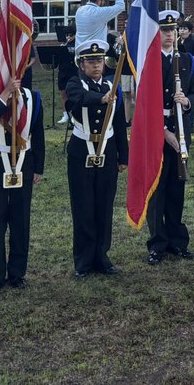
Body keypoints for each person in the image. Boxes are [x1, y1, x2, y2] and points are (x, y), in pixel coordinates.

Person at [0, 54, 45, 289]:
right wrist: (5, 94)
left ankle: (18, 274)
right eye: (5, 71)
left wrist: (38, 167)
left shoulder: (32, 97)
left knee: (20, 222)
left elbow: (38, 135)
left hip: (24, 165)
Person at [65, 41, 128, 278]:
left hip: (107, 152)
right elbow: (78, 98)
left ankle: (102, 257)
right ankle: (83, 260)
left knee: (104, 206)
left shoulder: (112, 85)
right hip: (82, 151)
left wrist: (124, 155)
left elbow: (119, 122)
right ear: (81, 64)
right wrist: (102, 99)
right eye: (90, 61)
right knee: (83, 207)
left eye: (99, 61)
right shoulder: (75, 83)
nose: (96, 66)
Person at [147, 10, 194, 266]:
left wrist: (187, 101)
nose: (169, 35)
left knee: (177, 187)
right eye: (164, 30)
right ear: (157, 33)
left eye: (173, 30)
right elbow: (145, 101)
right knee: (158, 188)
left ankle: (178, 241)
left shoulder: (187, 60)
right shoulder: (150, 60)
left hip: (181, 129)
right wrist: (162, 131)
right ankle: (157, 243)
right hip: (158, 129)